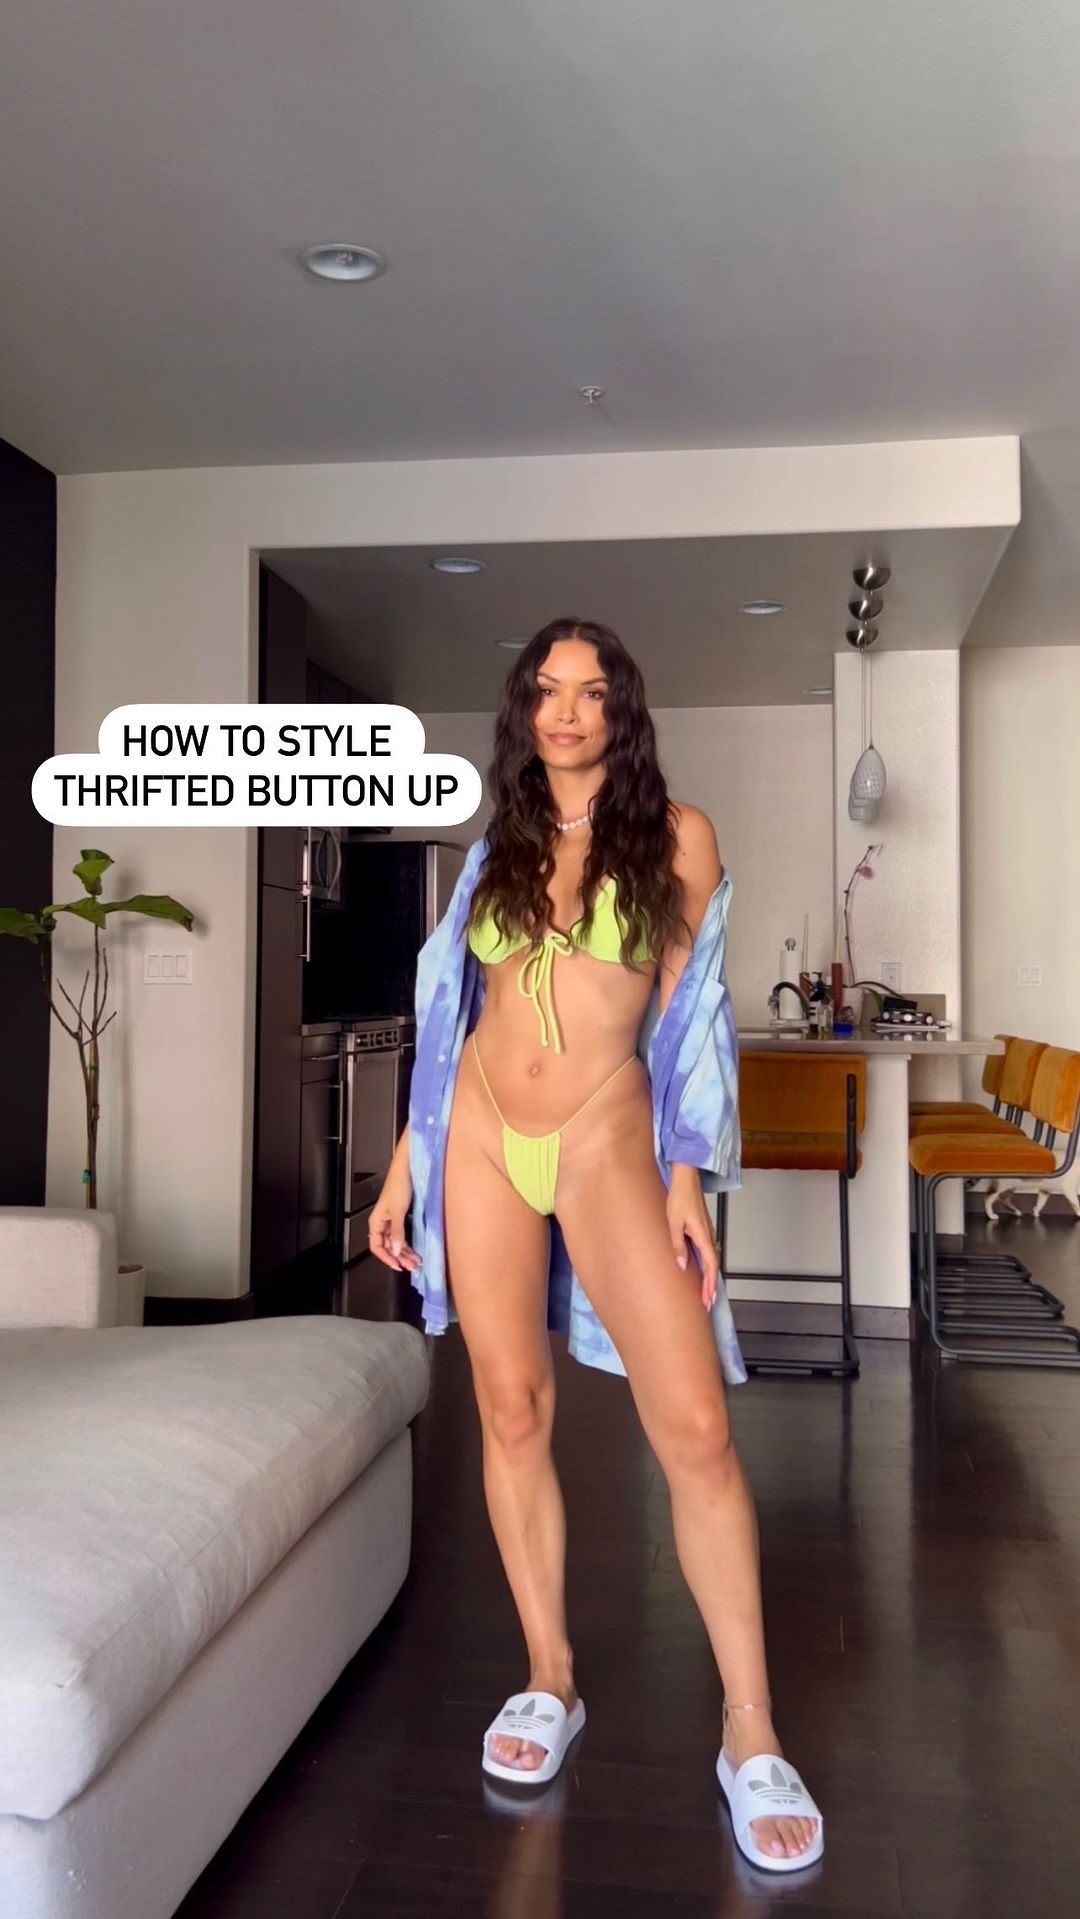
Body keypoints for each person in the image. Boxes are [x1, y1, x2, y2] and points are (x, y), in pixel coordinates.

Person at [368, 618, 823, 1872]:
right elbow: (451, 1008)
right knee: (510, 1408)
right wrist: (406, 1162)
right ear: (524, 710)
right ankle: (550, 1675)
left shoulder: (676, 836)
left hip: (604, 1134)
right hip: (478, 1134)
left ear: (625, 709)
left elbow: (693, 1011)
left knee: (696, 1428)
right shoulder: (498, 845)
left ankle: (749, 1728)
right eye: (546, 689)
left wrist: (688, 1177)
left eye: (592, 690)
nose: (566, 710)